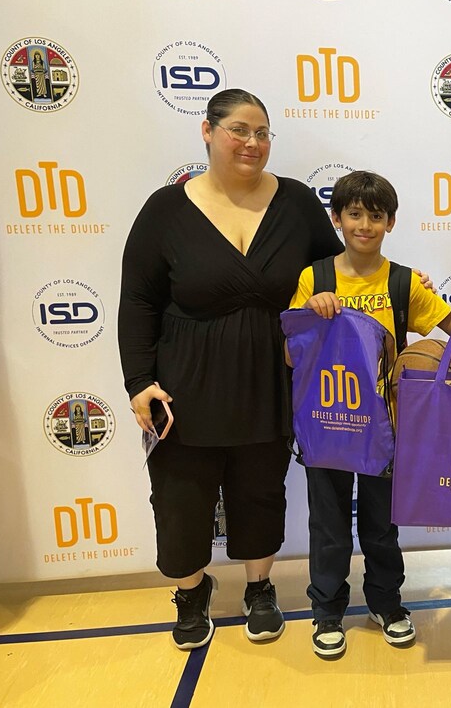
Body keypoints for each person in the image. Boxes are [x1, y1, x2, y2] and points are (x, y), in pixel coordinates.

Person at [118, 88, 344, 650]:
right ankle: (190, 593)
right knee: (180, 498)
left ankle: (259, 587)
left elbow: (331, 275)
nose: (252, 142)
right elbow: (138, 300)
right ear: (208, 131)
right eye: (240, 129)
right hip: (183, 385)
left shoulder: (295, 202)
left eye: (263, 132)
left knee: (261, 490)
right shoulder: (165, 209)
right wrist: (138, 382)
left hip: (271, 380)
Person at [288, 170, 451, 659]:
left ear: (391, 222)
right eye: (355, 214)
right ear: (337, 218)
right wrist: (310, 313)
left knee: (382, 525)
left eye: (376, 216)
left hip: (385, 427)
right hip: (328, 423)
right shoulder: (313, 278)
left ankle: (386, 602)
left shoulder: (404, 281)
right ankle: (327, 610)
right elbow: (288, 354)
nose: (365, 224)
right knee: (329, 523)